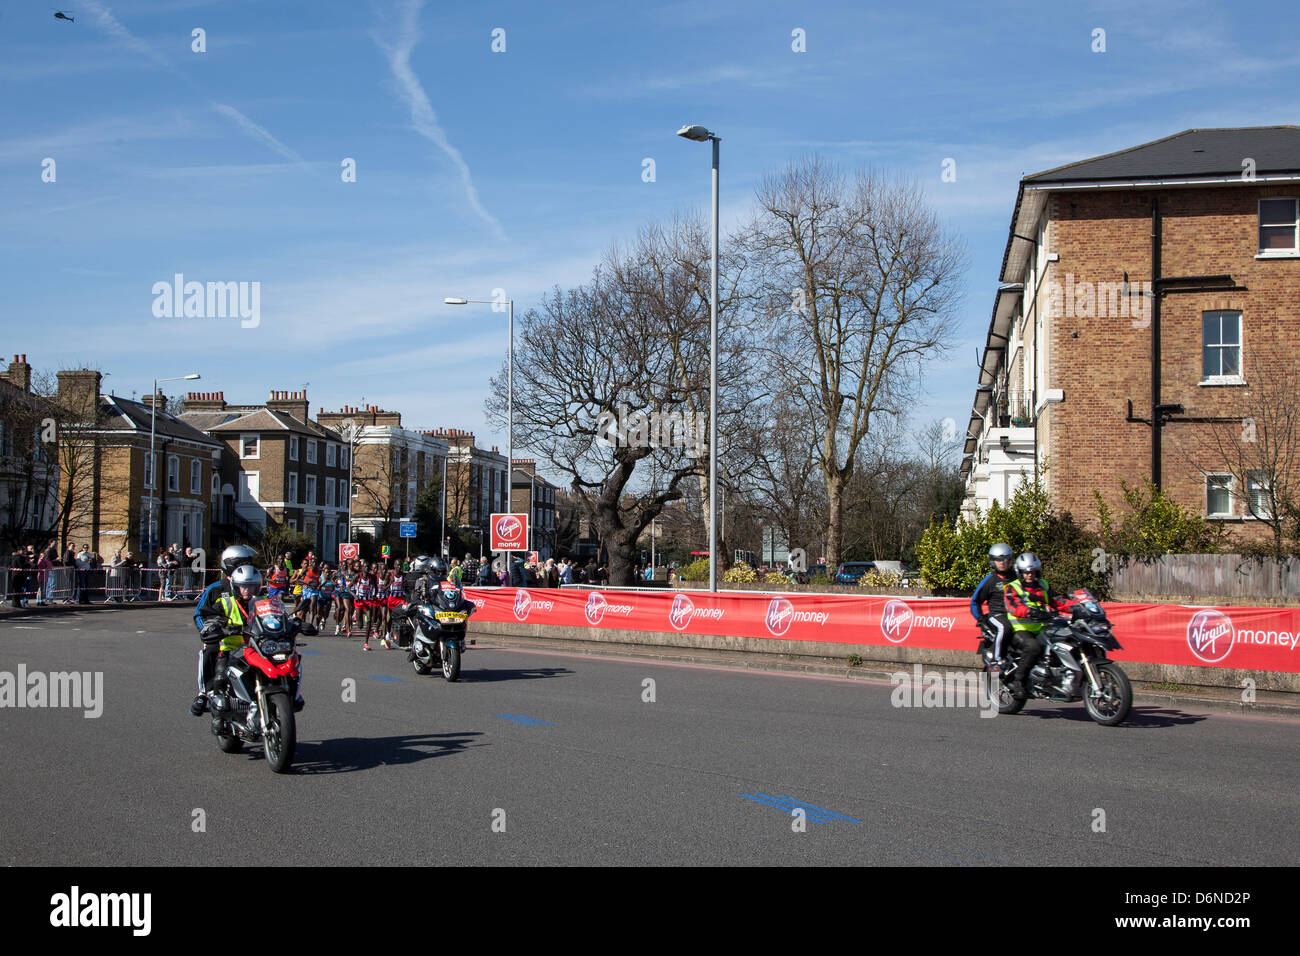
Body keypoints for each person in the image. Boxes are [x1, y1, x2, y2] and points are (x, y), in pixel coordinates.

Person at [190, 545, 259, 716]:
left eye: (248, 563)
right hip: (225, 638)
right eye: (240, 564)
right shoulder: (216, 589)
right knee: (210, 649)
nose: (245, 568)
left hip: (252, 638)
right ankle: (205, 692)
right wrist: (207, 631)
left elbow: (268, 609)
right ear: (229, 565)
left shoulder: (254, 585)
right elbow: (199, 613)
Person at [1002, 552, 1074, 695]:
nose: (1029, 575)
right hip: (1020, 629)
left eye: (1032, 572)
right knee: (1033, 647)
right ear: (1020, 572)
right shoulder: (1012, 587)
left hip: (1043, 627)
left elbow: (1058, 601)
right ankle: (1018, 681)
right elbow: (1013, 606)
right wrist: (1030, 612)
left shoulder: (1043, 585)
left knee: (1065, 640)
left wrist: (1076, 607)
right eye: (1026, 572)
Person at [971, 543, 1016, 669]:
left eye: (1005, 559)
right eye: (998, 560)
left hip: (1017, 614)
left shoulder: (1017, 577)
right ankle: (996, 660)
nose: (1002, 563)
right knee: (1005, 627)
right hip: (997, 614)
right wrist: (981, 620)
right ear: (992, 561)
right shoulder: (990, 580)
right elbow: (975, 601)